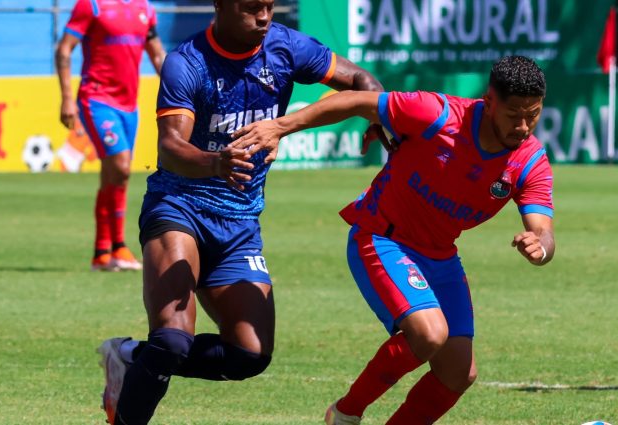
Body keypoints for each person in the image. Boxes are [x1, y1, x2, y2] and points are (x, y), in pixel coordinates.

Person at [95, 0, 387, 423]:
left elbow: (361, 79)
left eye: (269, 5)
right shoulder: (186, 63)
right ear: (221, 5)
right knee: (174, 340)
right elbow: (171, 148)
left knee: (249, 355)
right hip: (180, 208)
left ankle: (130, 356)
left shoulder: (286, 47)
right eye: (252, 7)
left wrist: (373, 111)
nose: (264, 16)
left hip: (240, 224)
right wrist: (216, 162)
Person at [231, 55, 556, 424]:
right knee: (430, 334)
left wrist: (540, 246)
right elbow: (354, 100)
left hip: (441, 257)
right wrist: (280, 127)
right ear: (490, 101)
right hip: (382, 237)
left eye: (534, 114)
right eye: (514, 114)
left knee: (458, 373)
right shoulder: (438, 114)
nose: (524, 125)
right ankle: (345, 413)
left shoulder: (530, 162)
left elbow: (543, 229)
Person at [56, 0, 167, 271]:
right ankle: (119, 246)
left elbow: (157, 55)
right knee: (121, 165)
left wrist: (183, 91)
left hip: (129, 105)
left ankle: (101, 253)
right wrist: (67, 98)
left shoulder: (145, 9)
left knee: (114, 175)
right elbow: (64, 50)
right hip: (96, 99)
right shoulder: (91, 5)